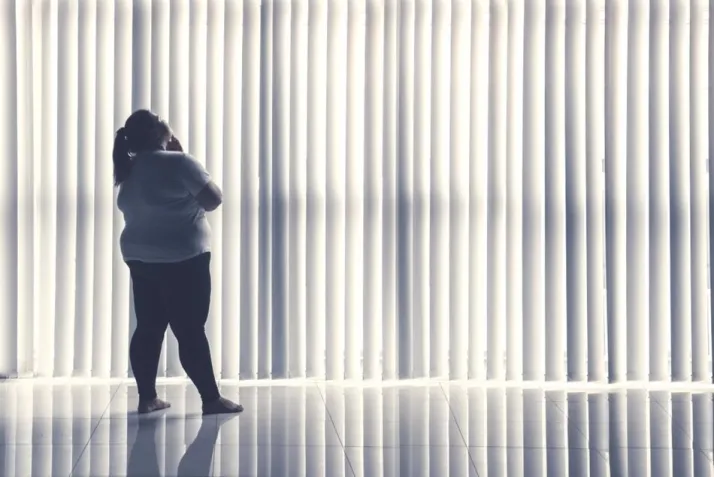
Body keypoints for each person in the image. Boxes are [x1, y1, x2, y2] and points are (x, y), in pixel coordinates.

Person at [113, 109, 242, 415]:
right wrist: (180, 156)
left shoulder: (130, 167)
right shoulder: (180, 162)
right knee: (190, 329)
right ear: (160, 132)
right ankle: (211, 399)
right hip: (183, 258)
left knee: (148, 327)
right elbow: (213, 199)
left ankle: (147, 398)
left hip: (140, 258)